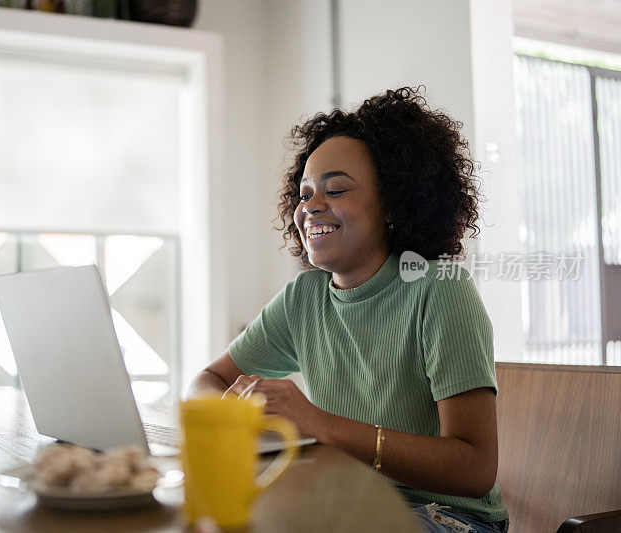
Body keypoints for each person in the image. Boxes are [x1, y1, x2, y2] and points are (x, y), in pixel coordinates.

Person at [187, 87, 509, 533]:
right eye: (304, 195)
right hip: (347, 505)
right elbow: (208, 380)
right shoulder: (305, 298)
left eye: (336, 189)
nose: (311, 206)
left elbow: (475, 469)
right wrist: (236, 415)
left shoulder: (438, 290)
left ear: (394, 204)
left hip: (449, 518)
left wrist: (319, 423)